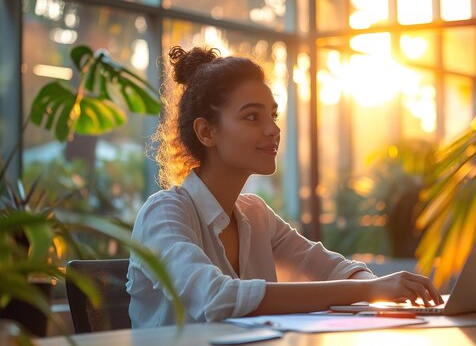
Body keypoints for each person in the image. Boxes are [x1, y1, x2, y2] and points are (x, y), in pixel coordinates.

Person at [126, 46, 444, 328]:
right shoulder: (164, 213)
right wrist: (368, 290)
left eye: (273, 115)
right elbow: (217, 299)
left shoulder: (255, 214)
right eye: (252, 117)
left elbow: (333, 269)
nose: (273, 130)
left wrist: (381, 287)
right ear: (207, 132)